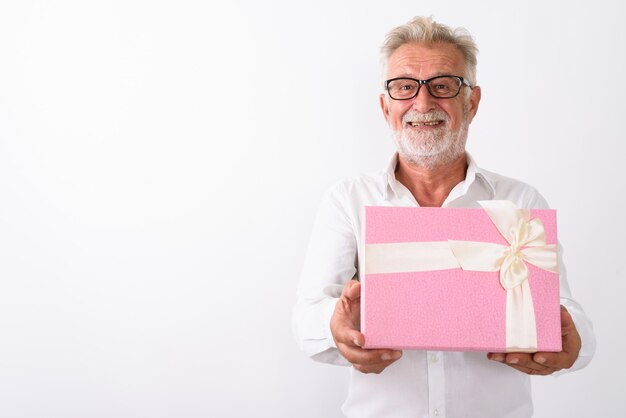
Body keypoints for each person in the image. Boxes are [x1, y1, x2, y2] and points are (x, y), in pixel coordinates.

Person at [292, 16, 596, 418]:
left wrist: (568, 344)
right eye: (404, 87)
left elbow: (567, 314)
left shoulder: (519, 199)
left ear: (471, 102)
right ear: (386, 107)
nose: (422, 103)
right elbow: (307, 315)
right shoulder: (348, 200)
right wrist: (336, 325)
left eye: (443, 86)